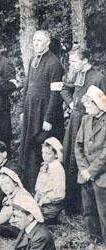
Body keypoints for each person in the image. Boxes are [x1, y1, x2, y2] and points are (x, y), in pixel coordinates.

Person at [60, 48, 106, 215]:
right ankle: (71, 205)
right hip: (75, 120)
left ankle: (86, 206)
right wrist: (71, 103)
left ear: (85, 60)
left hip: (91, 122)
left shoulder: (98, 78)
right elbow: (64, 89)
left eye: (74, 61)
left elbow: (103, 103)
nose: (71, 65)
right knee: (71, 159)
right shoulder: (75, 74)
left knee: (86, 158)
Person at [19, 30, 65, 193]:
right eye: (34, 40)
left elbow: (56, 94)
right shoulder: (33, 59)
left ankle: (38, 187)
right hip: (31, 110)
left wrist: (49, 118)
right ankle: (27, 184)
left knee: (39, 146)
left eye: (39, 41)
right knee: (27, 145)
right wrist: (24, 109)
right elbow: (27, 86)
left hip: (44, 112)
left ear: (47, 43)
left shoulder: (54, 63)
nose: (36, 43)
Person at [75, 84, 106, 244]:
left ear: (97, 104)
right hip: (85, 175)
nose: (86, 108)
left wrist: (92, 171)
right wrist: (84, 170)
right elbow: (78, 146)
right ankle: (94, 239)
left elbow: (105, 154)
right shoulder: (85, 119)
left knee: (104, 212)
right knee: (89, 210)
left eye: (88, 105)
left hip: (102, 176)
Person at [34, 137, 66, 223]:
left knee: (31, 218)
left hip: (51, 205)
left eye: (47, 153)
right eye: (43, 152)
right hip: (41, 202)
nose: (44, 155)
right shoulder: (45, 166)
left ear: (56, 155)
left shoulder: (57, 169)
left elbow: (59, 194)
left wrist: (43, 200)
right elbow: (39, 186)